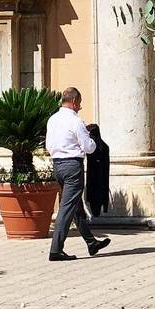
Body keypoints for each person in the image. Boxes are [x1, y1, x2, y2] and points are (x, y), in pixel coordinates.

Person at [45, 87, 110, 261]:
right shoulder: (76, 121)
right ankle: (56, 250)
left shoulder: (53, 119)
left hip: (57, 165)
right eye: (79, 103)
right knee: (67, 208)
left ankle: (91, 243)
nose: (80, 107)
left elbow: (48, 145)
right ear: (74, 101)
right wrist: (93, 139)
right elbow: (89, 147)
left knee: (75, 206)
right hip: (73, 166)